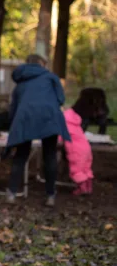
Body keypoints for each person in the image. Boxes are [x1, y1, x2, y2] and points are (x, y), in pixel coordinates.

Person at [6, 54, 70, 206]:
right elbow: (61, 99)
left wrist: (11, 127)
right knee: (49, 155)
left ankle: (12, 193)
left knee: (21, 155)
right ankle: (50, 196)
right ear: (42, 63)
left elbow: (13, 107)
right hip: (49, 117)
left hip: (25, 118)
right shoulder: (51, 77)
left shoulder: (20, 82)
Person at [62, 90, 102, 195]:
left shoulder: (65, 122)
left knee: (76, 168)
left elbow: (60, 135)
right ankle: (88, 187)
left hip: (76, 149)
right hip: (86, 148)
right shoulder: (75, 123)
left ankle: (82, 188)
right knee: (86, 168)